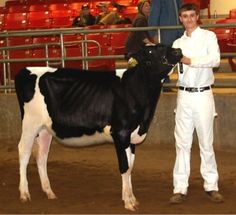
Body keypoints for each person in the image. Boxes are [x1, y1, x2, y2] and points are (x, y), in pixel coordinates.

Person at [170, 3, 224, 204]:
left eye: (192, 15)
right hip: (183, 96)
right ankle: (179, 187)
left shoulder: (208, 36)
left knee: (205, 142)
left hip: (203, 95)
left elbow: (215, 60)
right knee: (182, 143)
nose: (189, 19)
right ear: (180, 19)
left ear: (197, 16)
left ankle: (211, 185)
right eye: (185, 16)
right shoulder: (176, 43)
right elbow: (170, 68)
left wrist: (188, 60)